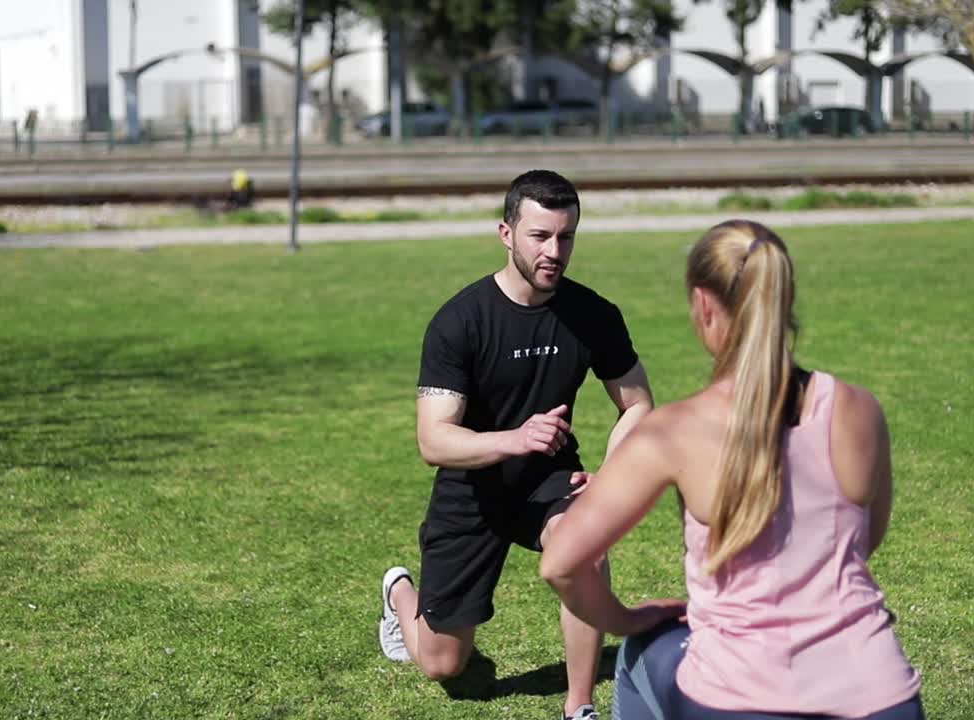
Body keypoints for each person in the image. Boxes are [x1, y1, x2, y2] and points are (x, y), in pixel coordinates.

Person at [540, 220, 924, 719]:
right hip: (882, 696)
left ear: (703, 305)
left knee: (639, 655)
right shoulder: (859, 409)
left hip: (739, 698)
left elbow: (562, 562)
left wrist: (629, 618)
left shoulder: (673, 430)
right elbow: (865, 539)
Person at [379, 170, 655, 720]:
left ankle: (579, 707)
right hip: (472, 487)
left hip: (550, 479)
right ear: (506, 233)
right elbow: (434, 440)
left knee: (586, 544)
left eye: (566, 237)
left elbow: (639, 405)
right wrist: (514, 438)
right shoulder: (461, 322)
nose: (555, 251)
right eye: (540, 236)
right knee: (443, 664)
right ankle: (398, 595)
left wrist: (612, 471)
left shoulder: (592, 314)